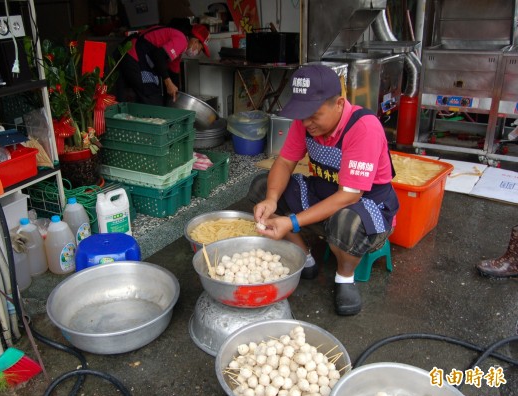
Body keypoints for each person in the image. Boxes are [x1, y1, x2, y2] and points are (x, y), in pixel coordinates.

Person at [247, 64, 399, 316]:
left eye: (314, 114)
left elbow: (350, 195)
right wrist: (272, 200)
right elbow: (284, 162)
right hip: (324, 193)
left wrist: (291, 221)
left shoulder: (364, 127)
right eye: (301, 114)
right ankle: (303, 257)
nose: (306, 122)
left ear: (339, 104)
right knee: (261, 187)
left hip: (367, 206)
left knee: (347, 220)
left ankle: (345, 277)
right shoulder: (305, 123)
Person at [115, 23, 210, 106]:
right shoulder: (181, 40)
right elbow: (158, 55)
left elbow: (174, 73)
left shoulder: (180, 45)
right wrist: (168, 83)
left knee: (149, 97)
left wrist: (178, 97)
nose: (198, 52)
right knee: (152, 100)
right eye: (200, 48)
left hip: (132, 56)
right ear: (195, 41)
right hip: (133, 57)